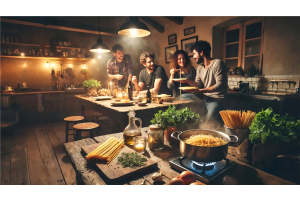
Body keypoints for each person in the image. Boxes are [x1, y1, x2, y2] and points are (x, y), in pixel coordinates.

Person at [180, 40, 228, 123]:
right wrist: (187, 81)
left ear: (201, 53)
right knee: (183, 97)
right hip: (204, 98)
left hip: (216, 99)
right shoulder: (200, 67)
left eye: (194, 54)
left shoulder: (218, 64)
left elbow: (220, 86)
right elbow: (198, 84)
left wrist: (200, 91)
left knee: (208, 122)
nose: (193, 57)